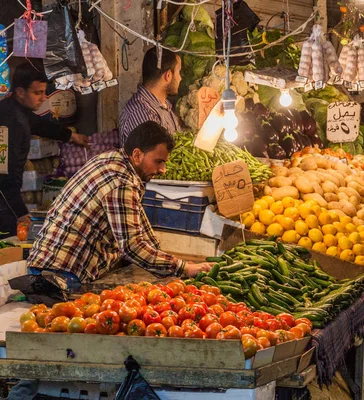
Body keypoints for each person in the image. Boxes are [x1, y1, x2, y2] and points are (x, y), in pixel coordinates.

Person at [27, 121, 211, 286]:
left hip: (54, 267)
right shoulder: (120, 181)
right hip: (58, 274)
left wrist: (173, 261)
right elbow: (132, 246)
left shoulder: (116, 161)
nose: (163, 170)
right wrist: (183, 268)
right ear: (137, 154)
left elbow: (140, 229)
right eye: (159, 162)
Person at [0, 63, 88, 239]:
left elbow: (39, 124)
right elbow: (4, 175)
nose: (43, 98)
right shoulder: (12, 123)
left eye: (44, 91)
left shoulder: (16, 109)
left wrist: (70, 136)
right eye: (37, 93)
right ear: (20, 92)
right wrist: (20, 213)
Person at [119, 47, 182, 146]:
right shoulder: (141, 112)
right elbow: (151, 158)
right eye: (179, 72)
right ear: (168, 76)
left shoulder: (164, 105)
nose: (180, 78)